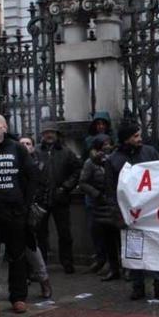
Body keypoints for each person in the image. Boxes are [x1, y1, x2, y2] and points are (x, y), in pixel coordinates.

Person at [0, 113, 39, 317]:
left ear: (3, 127)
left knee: (18, 256)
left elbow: (32, 176)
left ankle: (18, 298)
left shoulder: (17, 148)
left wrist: (25, 205)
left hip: (15, 213)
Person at [107, 121, 159, 301]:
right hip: (130, 213)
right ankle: (138, 286)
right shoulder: (114, 160)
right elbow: (111, 190)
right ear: (126, 139)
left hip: (151, 211)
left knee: (157, 246)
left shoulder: (149, 152)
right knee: (134, 250)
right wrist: (118, 214)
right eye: (135, 136)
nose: (140, 139)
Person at [35, 121, 82, 274]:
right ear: (42, 135)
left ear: (56, 135)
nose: (49, 135)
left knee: (65, 233)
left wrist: (66, 187)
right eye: (46, 132)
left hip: (60, 198)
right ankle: (41, 266)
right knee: (40, 234)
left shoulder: (66, 152)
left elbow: (77, 170)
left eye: (52, 132)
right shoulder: (36, 152)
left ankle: (67, 263)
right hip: (41, 199)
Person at [79, 135, 121, 282]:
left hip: (116, 202)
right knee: (106, 238)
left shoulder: (116, 159)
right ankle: (112, 266)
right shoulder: (91, 163)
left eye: (109, 143)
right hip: (100, 204)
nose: (107, 146)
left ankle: (125, 267)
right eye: (103, 144)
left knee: (120, 237)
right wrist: (97, 194)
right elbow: (83, 182)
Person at [18, 136, 52, 299]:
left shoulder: (39, 165)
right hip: (11, 208)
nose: (24, 146)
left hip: (29, 209)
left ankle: (44, 281)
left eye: (28, 143)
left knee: (31, 247)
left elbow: (44, 186)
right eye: (21, 143)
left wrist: (37, 207)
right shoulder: (14, 162)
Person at [83, 111, 114, 272]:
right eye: (98, 124)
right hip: (95, 198)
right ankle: (100, 257)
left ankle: (112, 260)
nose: (100, 126)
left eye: (103, 123)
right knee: (95, 229)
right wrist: (96, 194)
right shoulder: (90, 156)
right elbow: (84, 179)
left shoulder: (113, 152)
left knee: (111, 231)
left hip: (110, 197)